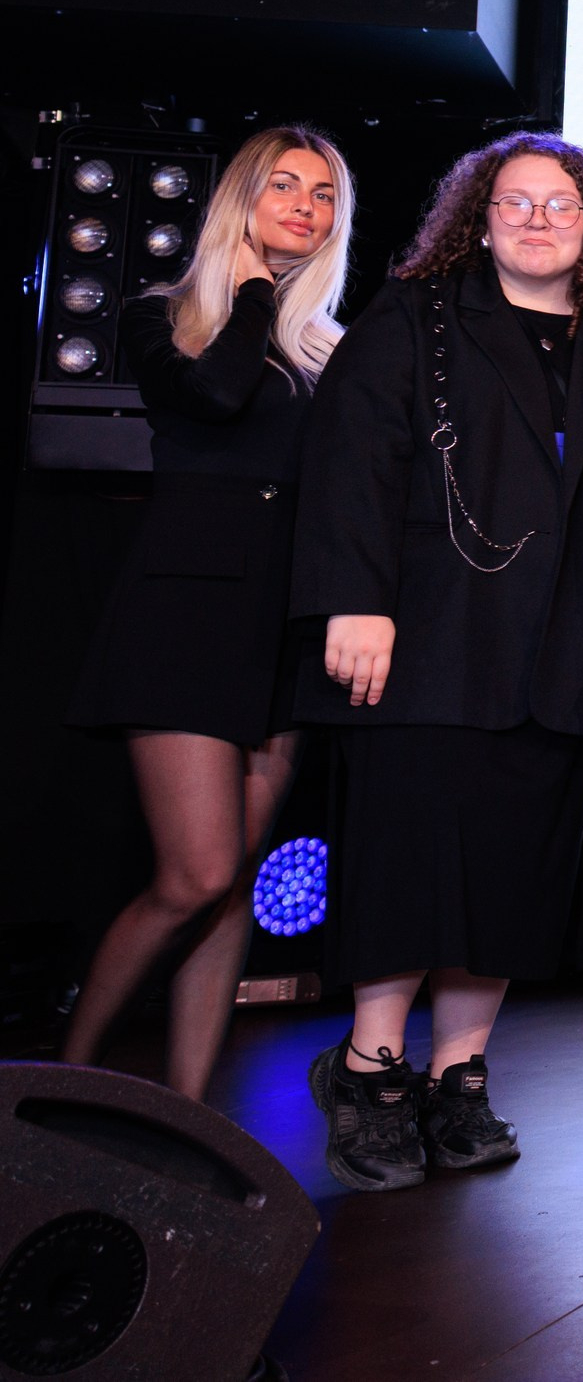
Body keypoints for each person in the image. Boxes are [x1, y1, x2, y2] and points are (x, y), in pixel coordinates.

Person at [294, 132, 583, 1189]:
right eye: (516, 202)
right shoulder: (415, 317)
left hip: (560, 652)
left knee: (508, 870)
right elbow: (353, 462)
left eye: (560, 206)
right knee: (409, 861)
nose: (537, 219)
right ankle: (371, 1070)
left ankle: (460, 1078)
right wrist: (355, 601)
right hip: (428, 638)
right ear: (478, 218)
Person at [63, 127, 352, 1101]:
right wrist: (256, 292)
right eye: (284, 186)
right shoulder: (164, 315)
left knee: (232, 885)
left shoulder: (327, 347)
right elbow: (219, 396)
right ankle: (62, 1081)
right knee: (193, 873)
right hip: (185, 614)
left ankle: (189, 1110)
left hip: (282, 623)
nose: (305, 207)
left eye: (322, 194)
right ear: (242, 197)